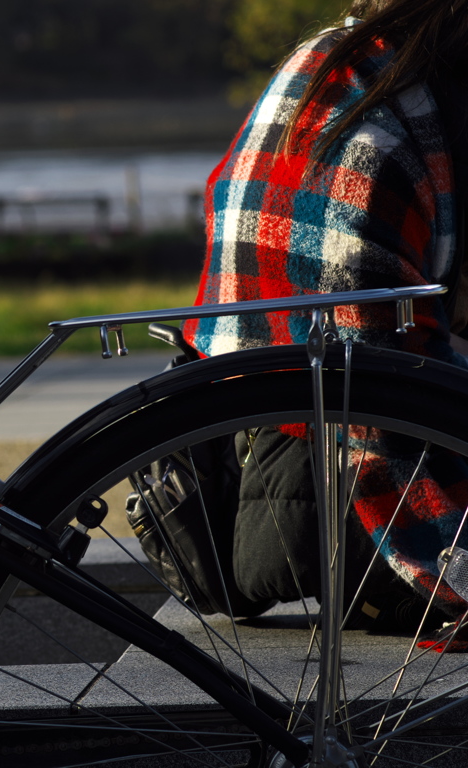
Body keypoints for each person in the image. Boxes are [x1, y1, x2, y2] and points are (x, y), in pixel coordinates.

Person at [181, 0, 468, 640]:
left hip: (238, 445)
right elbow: (384, 413)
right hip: (331, 500)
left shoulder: (344, 56)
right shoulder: (414, 116)